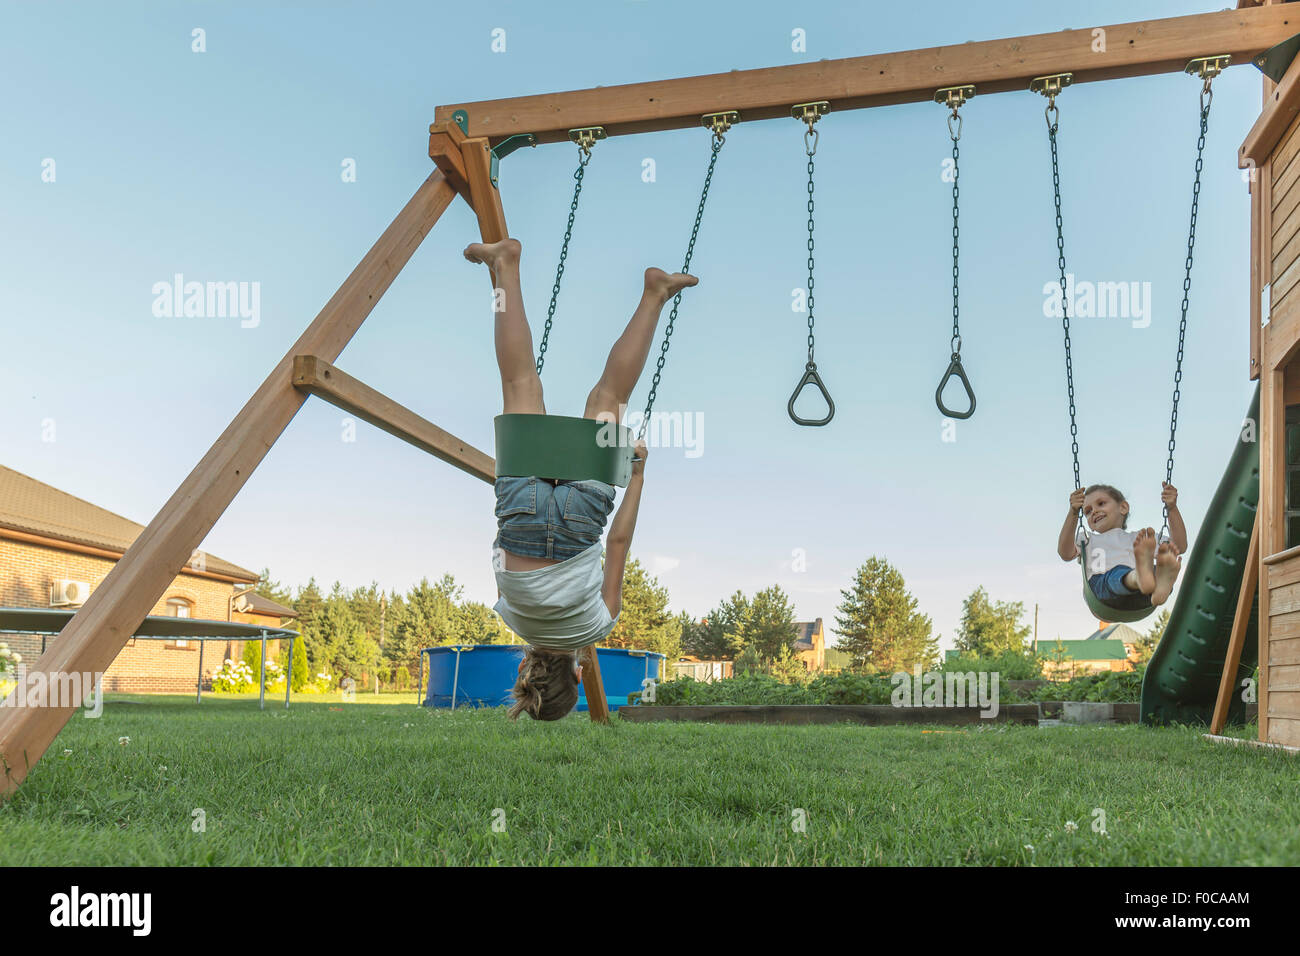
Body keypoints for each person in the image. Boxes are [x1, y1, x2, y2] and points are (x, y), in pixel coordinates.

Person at [464, 237, 696, 720]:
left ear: (574, 675)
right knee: (519, 383)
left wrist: (637, 475)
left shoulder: (596, 627)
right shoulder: (510, 616)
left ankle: (654, 294)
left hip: (582, 520)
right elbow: (501, 558)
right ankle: (505, 266)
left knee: (609, 397)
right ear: (526, 671)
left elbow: (618, 544)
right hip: (521, 510)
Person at [1056, 482, 1185, 611]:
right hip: (1103, 591)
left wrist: (1172, 508)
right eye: (1088, 511)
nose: (1094, 511)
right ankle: (1139, 577)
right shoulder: (1087, 539)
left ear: (1123, 507)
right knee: (1118, 573)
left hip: (1142, 596)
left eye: (1101, 503)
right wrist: (1073, 513)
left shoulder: (1139, 539)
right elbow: (1065, 553)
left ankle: (1159, 587)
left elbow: (1179, 546)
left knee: (1155, 569)